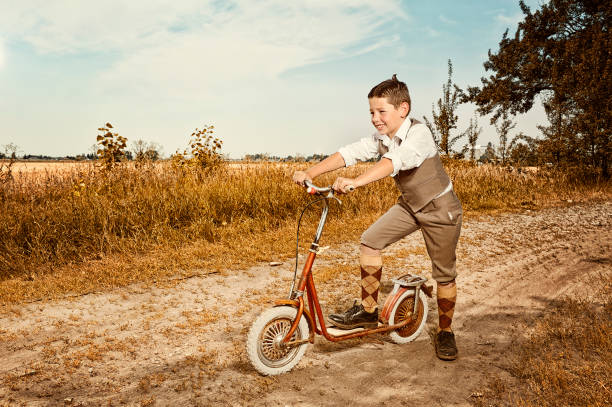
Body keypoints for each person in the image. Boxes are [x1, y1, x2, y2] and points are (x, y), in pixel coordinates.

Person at [292, 74, 462, 361]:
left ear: (403, 109)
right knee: (370, 242)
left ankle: (446, 332)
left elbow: (394, 162)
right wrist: (311, 172)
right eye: (371, 112)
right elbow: (350, 153)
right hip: (410, 206)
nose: (375, 118)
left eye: (381, 111)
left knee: (444, 275)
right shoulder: (382, 138)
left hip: (439, 208)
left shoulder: (419, 135)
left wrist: (356, 182)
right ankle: (368, 313)